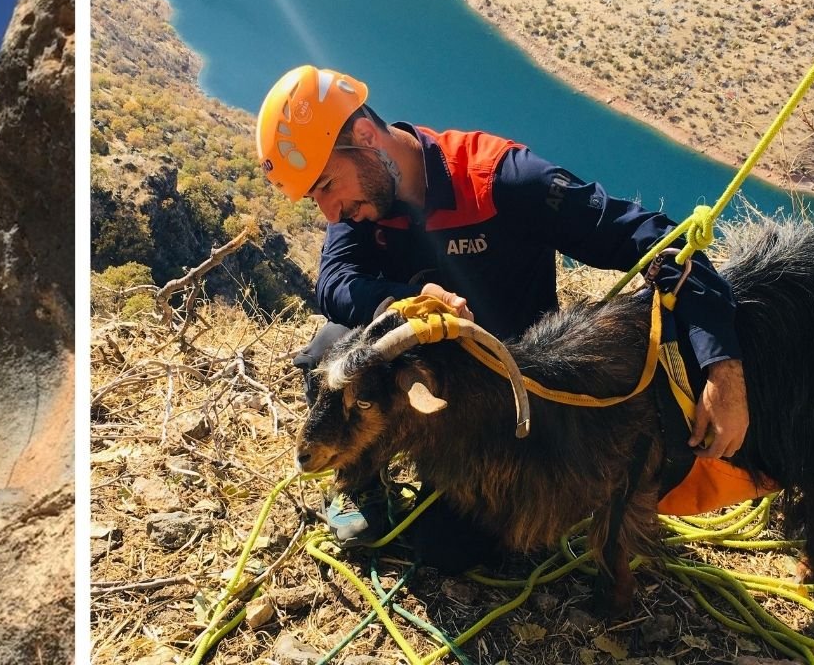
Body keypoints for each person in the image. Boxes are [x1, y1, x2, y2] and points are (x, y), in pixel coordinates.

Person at [256, 64, 749, 553]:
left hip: (511, 393)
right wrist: (405, 300)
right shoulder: (361, 202)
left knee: (451, 545)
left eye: (325, 185)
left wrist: (722, 367)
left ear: (365, 137)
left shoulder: (503, 179)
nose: (329, 211)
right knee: (331, 345)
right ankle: (361, 481)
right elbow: (335, 282)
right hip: (421, 392)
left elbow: (658, 242)